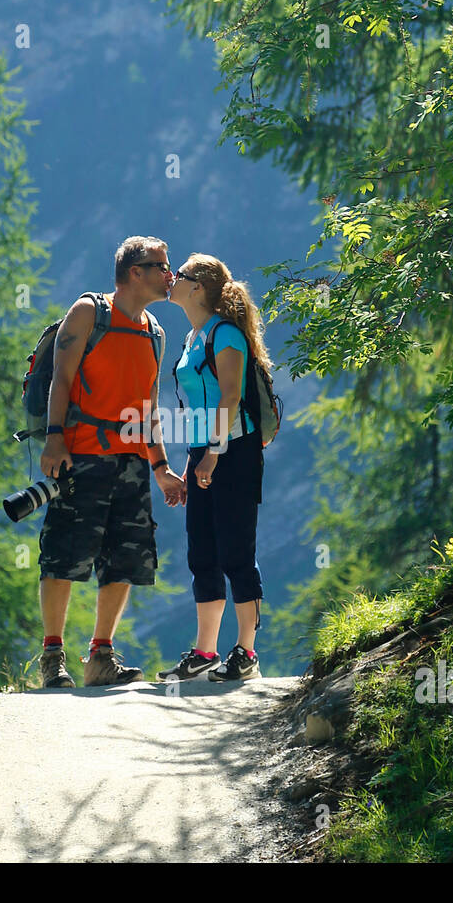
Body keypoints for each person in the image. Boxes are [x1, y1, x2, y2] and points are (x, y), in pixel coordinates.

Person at [37, 236, 188, 688]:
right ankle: (52, 658)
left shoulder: (155, 331)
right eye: (160, 266)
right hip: (80, 454)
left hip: (130, 463)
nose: (169, 273)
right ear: (133, 272)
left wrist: (160, 467)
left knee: (126, 559)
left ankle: (100, 657)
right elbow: (60, 380)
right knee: (64, 553)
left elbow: (148, 405)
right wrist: (54, 439)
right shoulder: (89, 313)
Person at [158, 253, 270, 682]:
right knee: (202, 553)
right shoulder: (193, 336)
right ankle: (205, 653)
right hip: (204, 451)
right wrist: (196, 460)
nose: (172, 279)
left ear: (199, 287)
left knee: (236, 553)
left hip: (235, 452)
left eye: (180, 275)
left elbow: (228, 397)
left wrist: (213, 454)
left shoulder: (226, 336)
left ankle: (246, 651)